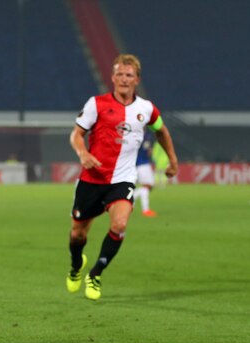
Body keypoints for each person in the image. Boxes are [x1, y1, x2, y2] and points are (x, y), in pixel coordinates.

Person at [65, 54, 178, 300]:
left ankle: (95, 274)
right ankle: (76, 266)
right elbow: (76, 135)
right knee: (78, 234)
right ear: (112, 77)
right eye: (119, 74)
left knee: (119, 224)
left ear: (136, 79)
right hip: (92, 180)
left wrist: (172, 159)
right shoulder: (96, 104)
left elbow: (162, 131)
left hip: (123, 179)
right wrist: (83, 153)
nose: (124, 79)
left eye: (129, 75)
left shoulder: (146, 109)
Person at [135, 132, 157, 217]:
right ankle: (146, 210)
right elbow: (148, 151)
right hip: (142, 164)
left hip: (142, 164)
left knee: (148, 186)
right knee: (147, 186)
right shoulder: (145, 136)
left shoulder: (139, 135)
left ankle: (130, 200)